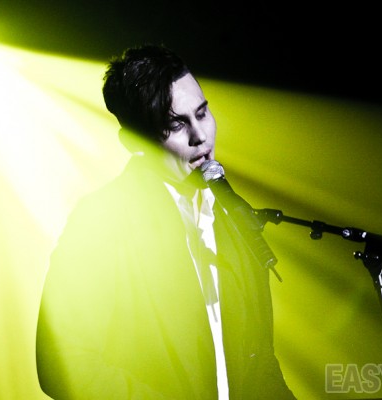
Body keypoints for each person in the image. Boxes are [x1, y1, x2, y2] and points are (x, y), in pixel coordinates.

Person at [35, 44, 296, 400]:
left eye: (202, 113)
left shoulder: (233, 219)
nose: (200, 136)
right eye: (176, 124)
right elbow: (63, 362)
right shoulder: (100, 221)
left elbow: (260, 365)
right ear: (134, 142)